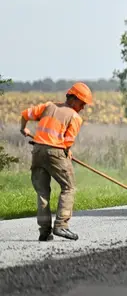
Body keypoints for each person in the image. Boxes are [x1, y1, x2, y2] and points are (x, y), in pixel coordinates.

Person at [19, 82, 93, 241]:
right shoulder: (74, 117)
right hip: (55, 152)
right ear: (74, 99)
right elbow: (67, 142)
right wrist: (67, 152)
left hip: (38, 151)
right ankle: (61, 225)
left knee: (42, 192)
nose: (83, 108)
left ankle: (45, 232)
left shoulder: (48, 106)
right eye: (82, 103)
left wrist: (23, 128)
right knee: (69, 187)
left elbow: (25, 114)